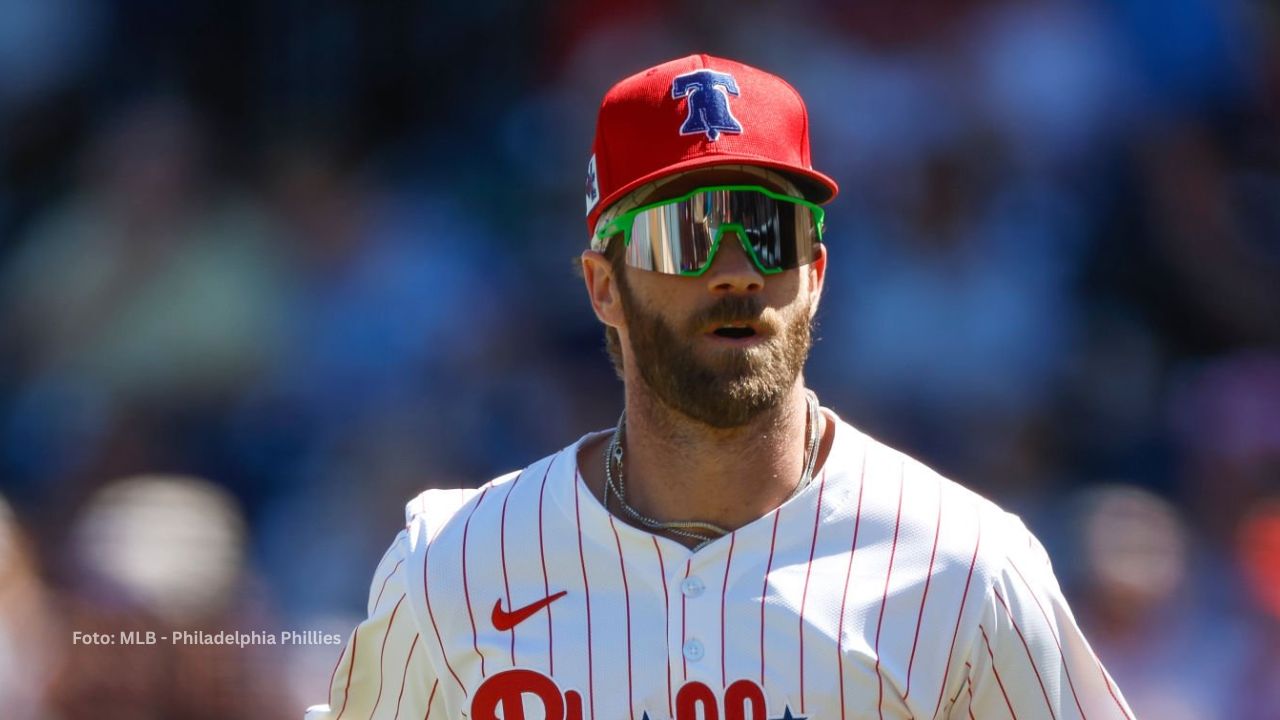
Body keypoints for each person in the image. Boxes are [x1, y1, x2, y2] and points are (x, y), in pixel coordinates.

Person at [306, 54, 1133, 720]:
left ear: (814, 272)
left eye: (767, 230)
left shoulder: (966, 563)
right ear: (603, 286)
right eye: (687, 234)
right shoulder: (454, 560)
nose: (735, 272)